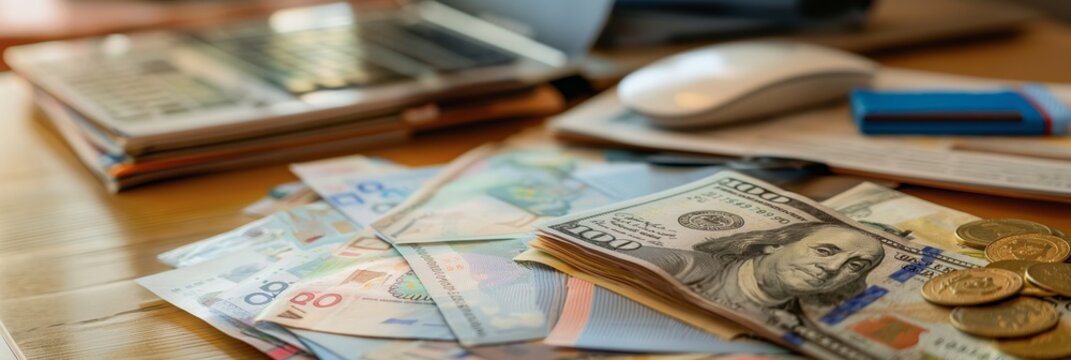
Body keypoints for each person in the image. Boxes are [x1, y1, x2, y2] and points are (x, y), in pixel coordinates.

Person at [634, 222, 885, 317]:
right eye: (824, 251)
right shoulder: (681, 264)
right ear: (773, 245)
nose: (832, 268)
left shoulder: (798, 325)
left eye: (855, 266)